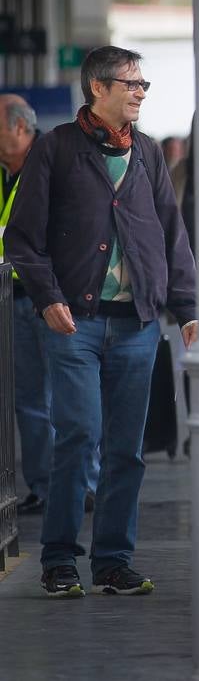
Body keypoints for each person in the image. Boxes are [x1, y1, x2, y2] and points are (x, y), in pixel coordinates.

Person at [4, 45, 198, 599]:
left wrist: (186, 309)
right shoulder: (56, 150)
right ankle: (60, 560)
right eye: (131, 84)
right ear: (98, 88)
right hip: (75, 324)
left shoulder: (148, 154)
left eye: (143, 85)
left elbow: (171, 233)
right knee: (79, 437)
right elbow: (22, 238)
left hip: (137, 324)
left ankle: (113, 561)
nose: (140, 92)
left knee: (125, 449)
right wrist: (46, 298)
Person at [0, 94, 54, 516]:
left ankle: (78, 484)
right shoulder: (4, 173)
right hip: (12, 299)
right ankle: (43, 485)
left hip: (47, 299)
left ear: (20, 128)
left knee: (64, 395)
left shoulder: (49, 164)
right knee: (30, 400)